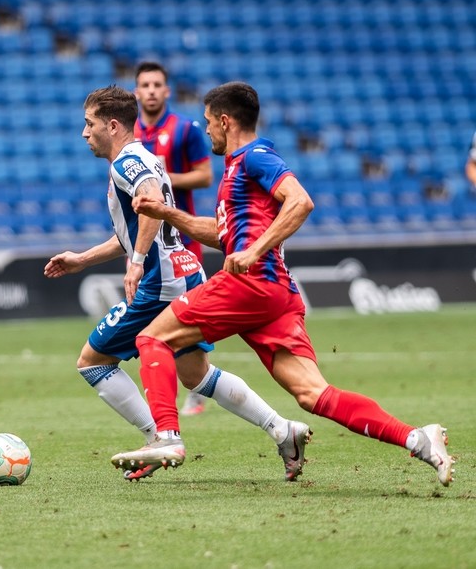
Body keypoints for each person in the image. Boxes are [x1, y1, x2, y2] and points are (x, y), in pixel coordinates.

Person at [112, 81, 456, 487]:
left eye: (208, 123)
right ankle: (418, 438)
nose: (206, 132)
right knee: (313, 395)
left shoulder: (256, 156)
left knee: (152, 339)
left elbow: (301, 201)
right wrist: (167, 212)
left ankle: (167, 437)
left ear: (225, 121)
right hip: (276, 295)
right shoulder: (236, 169)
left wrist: (255, 250)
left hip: (251, 283)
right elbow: (221, 233)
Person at [45, 85, 310, 482]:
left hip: (160, 281)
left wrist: (136, 264)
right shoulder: (145, 156)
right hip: (184, 269)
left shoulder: (125, 163)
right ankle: (281, 429)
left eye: (90, 124)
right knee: (196, 373)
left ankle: (158, 438)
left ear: (112, 126)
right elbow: (137, 227)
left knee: (93, 361)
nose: (85, 133)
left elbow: (150, 202)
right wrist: (83, 259)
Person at [133, 61, 213, 416]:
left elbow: (205, 176)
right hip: (143, 241)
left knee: (189, 312)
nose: (151, 90)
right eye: (145, 85)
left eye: (157, 85)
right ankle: (165, 382)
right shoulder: (128, 133)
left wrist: (161, 181)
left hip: (182, 239)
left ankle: (197, 382)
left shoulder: (185, 129)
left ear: (167, 91)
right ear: (136, 92)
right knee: (153, 316)